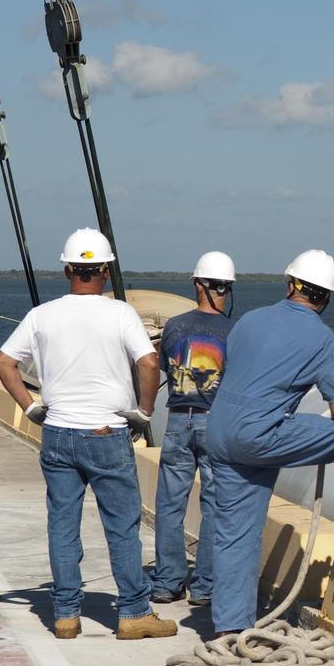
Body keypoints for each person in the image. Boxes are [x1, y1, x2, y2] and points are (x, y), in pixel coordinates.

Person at [205, 249, 334, 635]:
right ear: (327, 297)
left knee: (237, 533)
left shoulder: (248, 320)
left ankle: (230, 629)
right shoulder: (322, 339)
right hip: (259, 434)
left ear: (290, 285)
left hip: (218, 432)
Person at [0, 228, 177, 641]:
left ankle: (65, 615)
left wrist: (31, 406)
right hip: (106, 432)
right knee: (122, 526)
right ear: (106, 271)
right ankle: (132, 613)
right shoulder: (120, 314)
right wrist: (143, 411)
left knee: (62, 525)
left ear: (67, 269)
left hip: (58, 433)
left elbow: (4, 362)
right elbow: (149, 363)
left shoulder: (42, 315)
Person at [149, 251, 236, 607]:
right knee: (215, 504)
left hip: (177, 420)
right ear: (226, 289)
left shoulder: (175, 327)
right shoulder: (235, 331)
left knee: (170, 504)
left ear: (196, 284)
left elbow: (162, 364)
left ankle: (167, 583)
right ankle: (204, 587)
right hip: (215, 423)